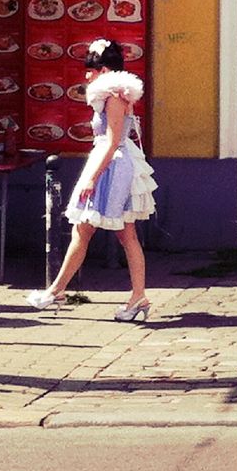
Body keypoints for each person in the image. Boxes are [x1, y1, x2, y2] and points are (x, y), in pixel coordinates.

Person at [25, 39, 157, 321]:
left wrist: (91, 179)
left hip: (112, 165)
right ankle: (138, 297)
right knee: (124, 234)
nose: (87, 75)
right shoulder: (116, 95)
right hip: (115, 163)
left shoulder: (113, 97)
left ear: (105, 70)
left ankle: (56, 291)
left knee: (87, 231)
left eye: (92, 70)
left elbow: (111, 142)